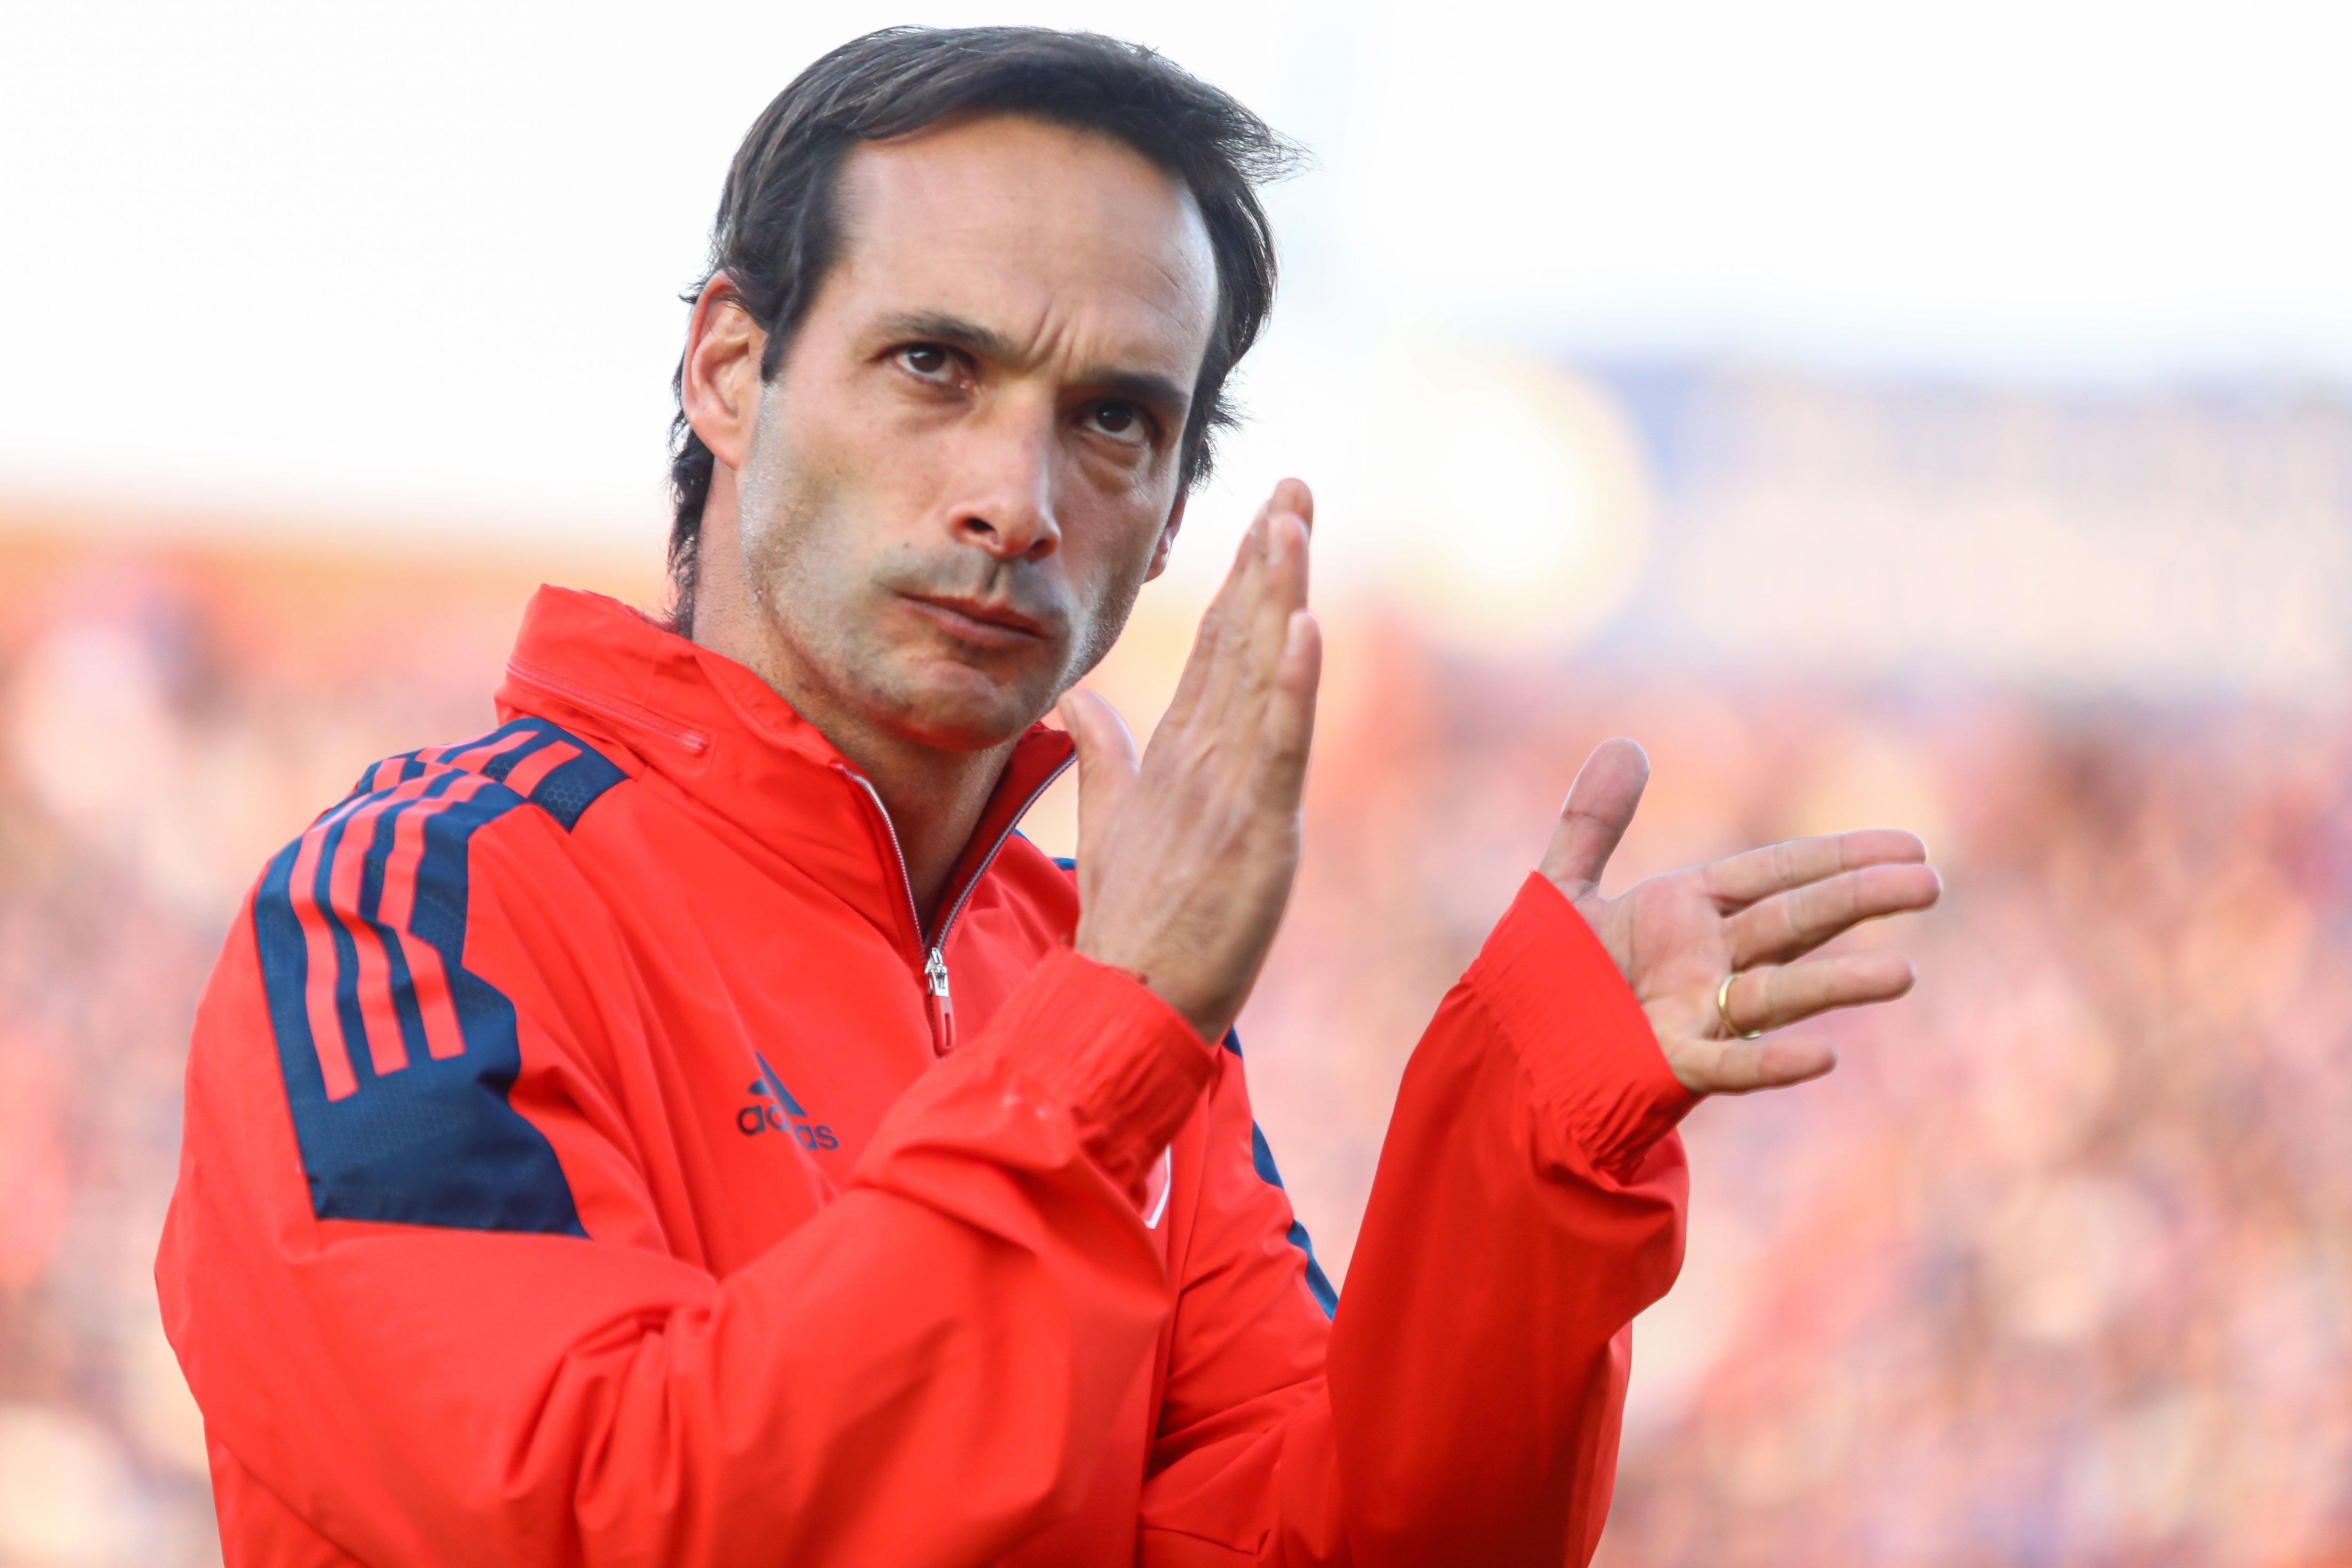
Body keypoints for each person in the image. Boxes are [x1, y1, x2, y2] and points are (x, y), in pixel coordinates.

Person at [157, 25, 1939, 1567]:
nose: (1017, 495)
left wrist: (1533, 1137)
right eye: (937, 365)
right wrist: (1099, 1057)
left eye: (1114, 419)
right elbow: (589, 1516)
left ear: (1172, 513)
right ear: (727, 369)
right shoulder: (412, 904)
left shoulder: (1096, 983)